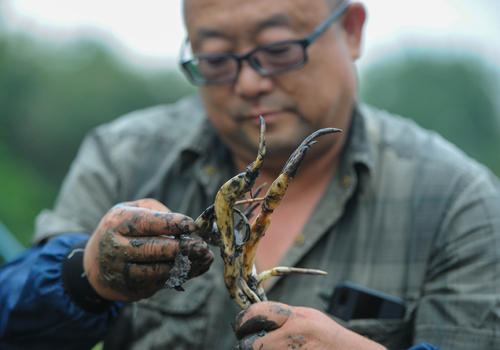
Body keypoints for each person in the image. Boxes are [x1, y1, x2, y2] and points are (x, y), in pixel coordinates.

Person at [1, 0, 499, 349]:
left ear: (351, 29)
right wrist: (84, 276)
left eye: (279, 49)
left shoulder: (458, 201)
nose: (249, 82)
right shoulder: (121, 156)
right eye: (215, 58)